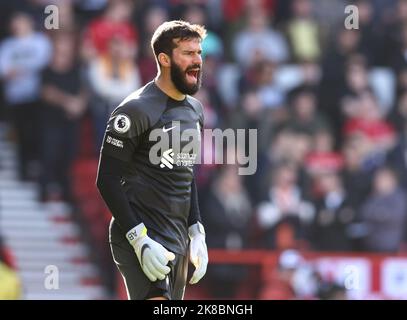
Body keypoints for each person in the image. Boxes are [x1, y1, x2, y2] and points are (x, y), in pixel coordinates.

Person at [96, 20, 208, 300]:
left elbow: (186, 173)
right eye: (188, 53)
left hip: (178, 237)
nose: (197, 61)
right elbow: (106, 179)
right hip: (140, 235)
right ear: (164, 58)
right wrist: (139, 240)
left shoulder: (195, 111)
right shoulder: (134, 109)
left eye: (199, 53)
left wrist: (197, 231)